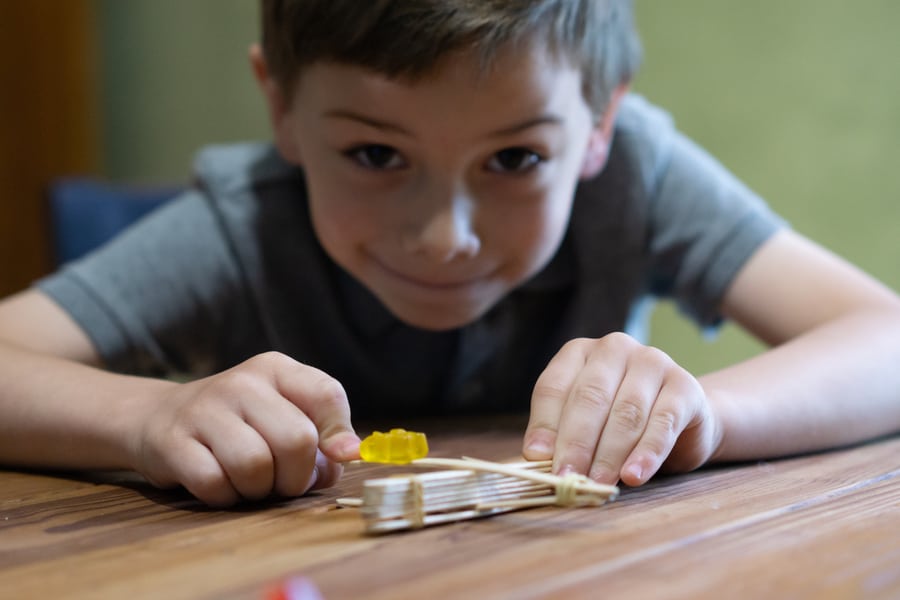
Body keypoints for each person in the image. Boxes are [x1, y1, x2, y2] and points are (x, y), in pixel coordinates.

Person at [2, 0, 900, 508]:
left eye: (514, 159)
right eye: (375, 155)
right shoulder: (243, 226)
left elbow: (885, 340)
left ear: (598, 125)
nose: (445, 237)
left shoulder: (638, 176)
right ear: (280, 108)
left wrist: (704, 412)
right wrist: (149, 417)